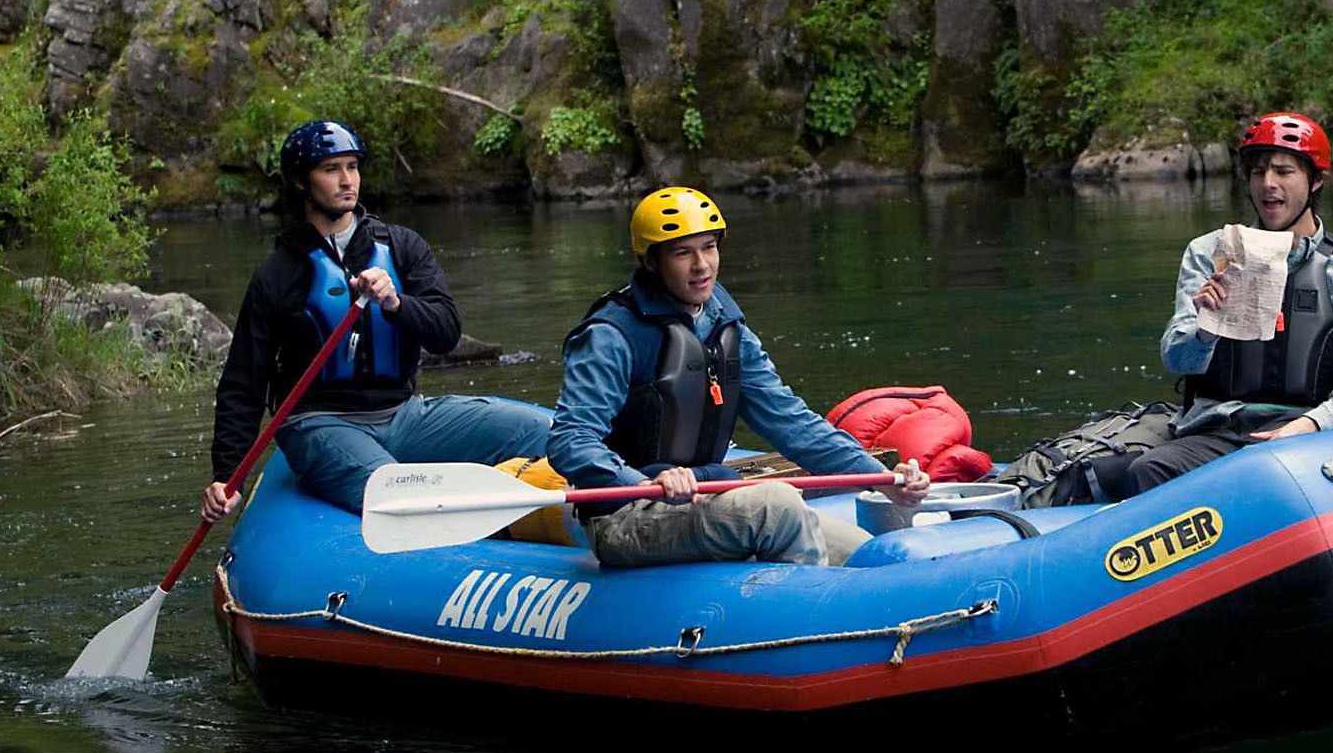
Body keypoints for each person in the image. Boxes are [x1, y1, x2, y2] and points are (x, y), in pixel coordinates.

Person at [547, 186, 929, 567]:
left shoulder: (724, 324)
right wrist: (639, 483)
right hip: (626, 515)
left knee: (864, 552)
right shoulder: (611, 335)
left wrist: (879, 479)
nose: (702, 265)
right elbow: (570, 439)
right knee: (776, 504)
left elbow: (790, 422)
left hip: (708, 493)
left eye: (709, 247)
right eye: (683, 253)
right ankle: (805, 614)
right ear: (651, 262)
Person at [202, 120, 549, 521]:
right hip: (320, 425)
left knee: (539, 431)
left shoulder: (401, 246)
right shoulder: (277, 275)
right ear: (301, 181)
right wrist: (228, 478)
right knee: (397, 495)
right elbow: (243, 385)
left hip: (404, 416)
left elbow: (445, 333)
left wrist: (396, 302)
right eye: (331, 169)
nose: (347, 180)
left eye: (352, 167)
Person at [1127, 112, 1333, 494]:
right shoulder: (1210, 254)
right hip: (1219, 431)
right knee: (1149, 470)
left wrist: (1311, 425)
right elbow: (1176, 360)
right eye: (1258, 173)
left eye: (1284, 172)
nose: (1268, 184)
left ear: (1316, 180)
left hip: (1308, 434)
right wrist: (1204, 329)